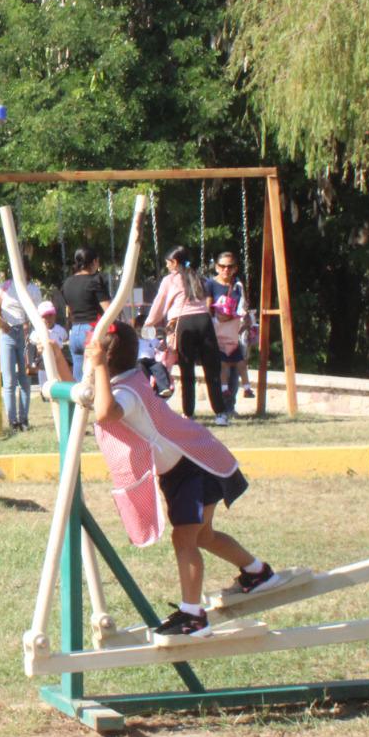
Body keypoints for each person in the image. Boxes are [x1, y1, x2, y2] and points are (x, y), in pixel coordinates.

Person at [88, 321, 279, 636]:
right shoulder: (127, 380)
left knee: (185, 539)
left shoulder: (126, 393)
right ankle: (257, 572)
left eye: (92, 354)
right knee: (203, 536)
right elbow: (84, 396)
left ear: (105, 359)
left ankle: (193, 616)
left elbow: (105, 412)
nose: (87, 358)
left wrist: (96, 366)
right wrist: (55, 356)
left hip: (193, 466)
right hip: (189, 462)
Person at [146, 246, 228, 424]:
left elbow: (159, 303)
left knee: (187, 370)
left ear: (175, 262)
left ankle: (188, 413)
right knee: (212, 368)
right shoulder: (198, 276)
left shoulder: (170, 280)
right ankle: (220, 413)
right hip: (204, 321)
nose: (167, 266)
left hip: (183, 323)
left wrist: (148, 322)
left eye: (168, 263)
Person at [205, 252, 250, 416]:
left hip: (234, 334)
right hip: (217, 333)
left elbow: (243, 306)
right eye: (222, 266)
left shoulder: (238, 286)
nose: (226, 269)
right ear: (217, 267)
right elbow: (207, 308)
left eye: (230, 266)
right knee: (220, 369)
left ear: (235, 268)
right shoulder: (210, 284)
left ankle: (230, 406)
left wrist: (244, 318)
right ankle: (220, 406)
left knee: (235, 370)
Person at [0, 277, 44, 431]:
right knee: (9, 380)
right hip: (7, 333)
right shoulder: (4, 287)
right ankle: (12, 421)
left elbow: (38, 314)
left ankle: (23, 419)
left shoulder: (32, 289)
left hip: (25, 334)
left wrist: (29, 326)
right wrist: (1, 323)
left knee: (25, 378)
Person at [61, 248, 111, 381]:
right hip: (92, 330)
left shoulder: (67, 283)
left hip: (75, 332)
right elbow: (109, 310)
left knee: (79, 381)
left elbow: (69, 310)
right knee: (95, 377)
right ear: (94, 262)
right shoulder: (95, 280)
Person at [33, 300, 71, 389]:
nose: (48, 319)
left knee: (59, 386)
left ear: (54, 315)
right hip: (43, 365)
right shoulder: (36, 332)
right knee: (45, 388)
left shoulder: (60, 330)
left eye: (50, 315)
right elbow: (33, 349)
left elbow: (65, 339)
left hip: (58, 363)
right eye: (44, 316)